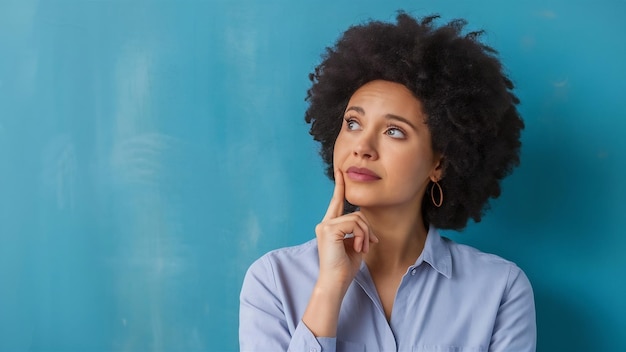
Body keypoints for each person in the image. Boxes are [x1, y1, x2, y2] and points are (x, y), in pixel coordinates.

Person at [239, 12, 536, 352]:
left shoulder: (500, 290)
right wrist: (329, 288)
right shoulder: (274, 281)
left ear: (439, 163)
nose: (362, 148)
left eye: (394, 131)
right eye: (352, 123)